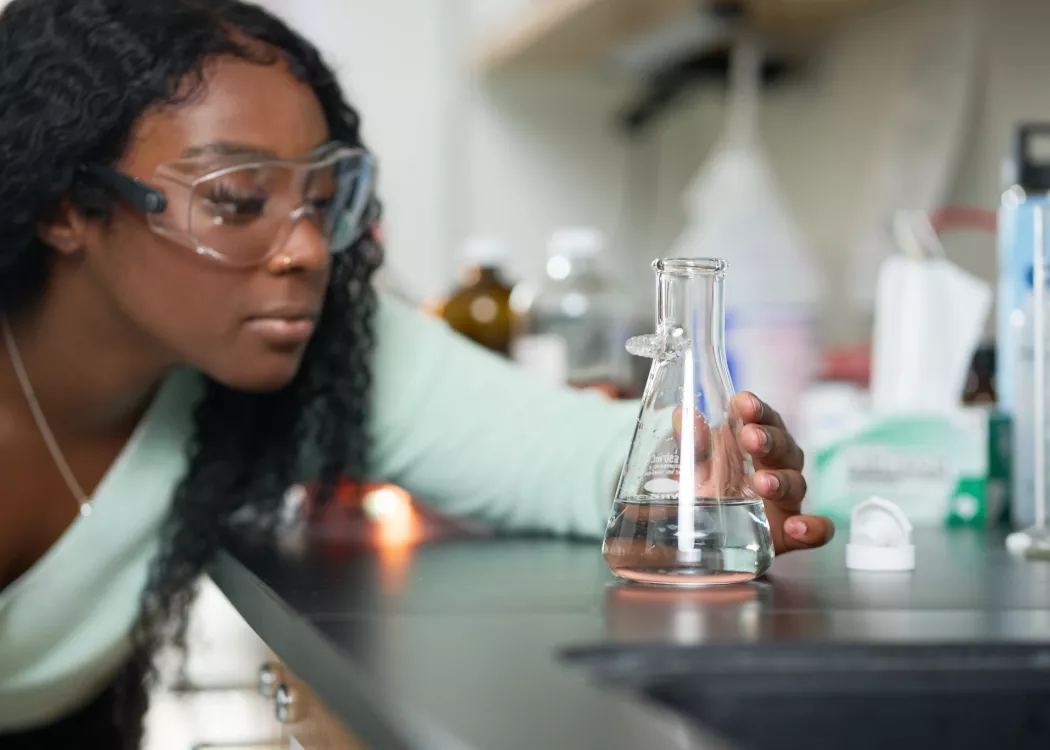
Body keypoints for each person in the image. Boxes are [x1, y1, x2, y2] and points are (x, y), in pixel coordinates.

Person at [0, 0, 835, 746]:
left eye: (323, 203)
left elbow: (554, 451)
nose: (306, 250)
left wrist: (707, 466)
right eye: (237, 200)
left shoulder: (325, 351)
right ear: (68, 208)